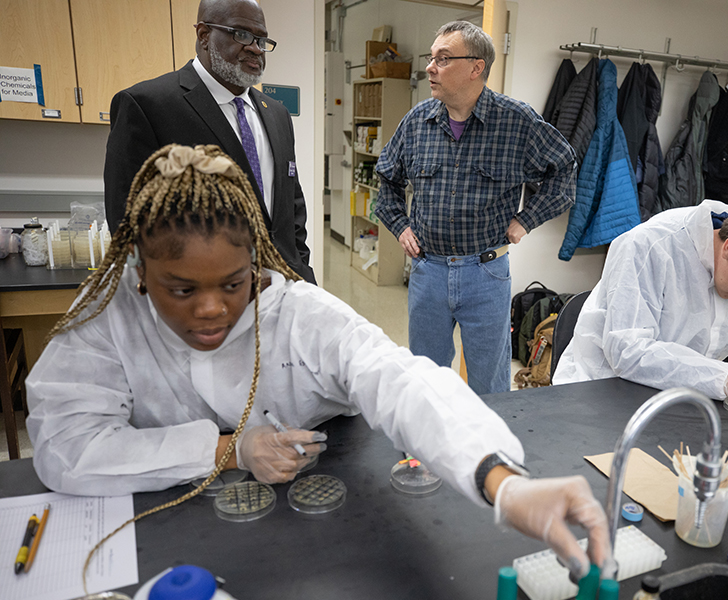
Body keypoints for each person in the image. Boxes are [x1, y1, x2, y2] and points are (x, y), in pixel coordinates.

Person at [27, 144, 608, 581]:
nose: (210, 309)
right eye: (179, 290)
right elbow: (65, 442)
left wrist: (502, 483)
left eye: (233, 284)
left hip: (324, 531)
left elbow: (398, 379)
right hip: (166, 529)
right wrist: (228, 450)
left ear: (255, 262)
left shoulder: (296, 313)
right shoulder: (110, 309)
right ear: (138, 270)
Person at [374, 21, 576, 395]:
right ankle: (427, 450)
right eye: (431, 58)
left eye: (443, 59)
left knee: (490, 382)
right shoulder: (417, 123)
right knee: (425, 379)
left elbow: (564, 169)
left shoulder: (517, 121)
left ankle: (488, 452)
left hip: (486, 274)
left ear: (476, 67)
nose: (430, 68)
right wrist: (400, 226)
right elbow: (385, 179)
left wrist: (526, 220)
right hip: (428, 272)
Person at [103, 0, 315, 283]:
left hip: (285, 286)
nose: (255, 47)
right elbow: (128, 221)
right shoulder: (148, 106)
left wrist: (301, 270)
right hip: (206, 296)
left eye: (261, 40)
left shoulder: (277, 114)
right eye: (241, 34)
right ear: (204, 35)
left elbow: (291, 205)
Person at [554, 198, 728, 406]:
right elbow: (629, 352)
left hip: (687, 396)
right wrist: (725, 380)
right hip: (604, 395)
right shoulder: (648, 247)